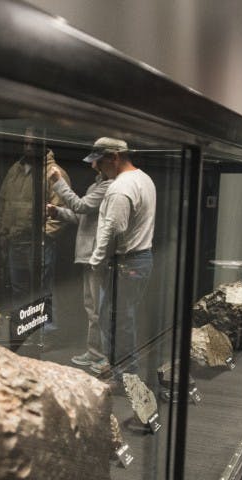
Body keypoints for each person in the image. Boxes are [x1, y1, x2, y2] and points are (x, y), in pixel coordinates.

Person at [84, 137, 156, 377]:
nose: (95, 166)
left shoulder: (120, 188)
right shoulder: (144, 179)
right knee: (121, 319)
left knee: (115, 321)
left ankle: (125, 373)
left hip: (126, 263)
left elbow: (113, 229)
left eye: (99, 161)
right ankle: (122, 369)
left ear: (114, 158)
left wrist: (96, 261)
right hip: (140, 259)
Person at [46, 158, 112, 368]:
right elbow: (81, 216)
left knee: (99, 310)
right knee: (92, 308)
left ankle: (105, 357)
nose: (92, 165)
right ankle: (95, 353)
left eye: (95, 161)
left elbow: (80, 206)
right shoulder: (97, 185)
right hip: (88, 255)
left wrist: (58, 181)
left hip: (97, 256)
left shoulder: (109, 187)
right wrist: (58, 212)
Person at [0, 134, 70, 322]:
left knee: (43, 290)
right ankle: (23, 328)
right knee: (19, 289)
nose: (28, 147)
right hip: (15, 241)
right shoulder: (15, 169)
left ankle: (47, 332)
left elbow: (62, 209)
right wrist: (3, 232)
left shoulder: (54, 172)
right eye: (26, 143)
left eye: (33, 143)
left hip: (39, 243)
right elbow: (4, 202)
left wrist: (45, 237)